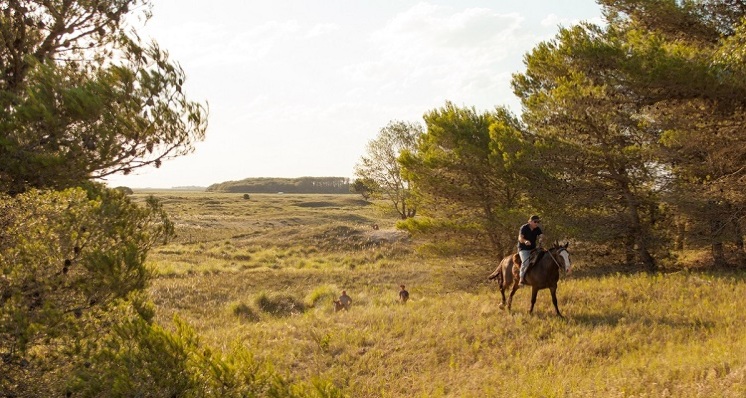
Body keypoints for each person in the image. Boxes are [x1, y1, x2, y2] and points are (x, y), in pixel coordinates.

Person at [517, 215, 543, 286]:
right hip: (523, 249)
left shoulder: (537, 228)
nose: (537, 223)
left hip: (533, 249)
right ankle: (521, 279)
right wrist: (525, 241)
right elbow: (520, 238)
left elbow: (541, 235)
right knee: (525, 262)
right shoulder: (524, 228)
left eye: (538, 222)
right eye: (535, 222)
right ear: (530, 221)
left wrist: (541, 238)